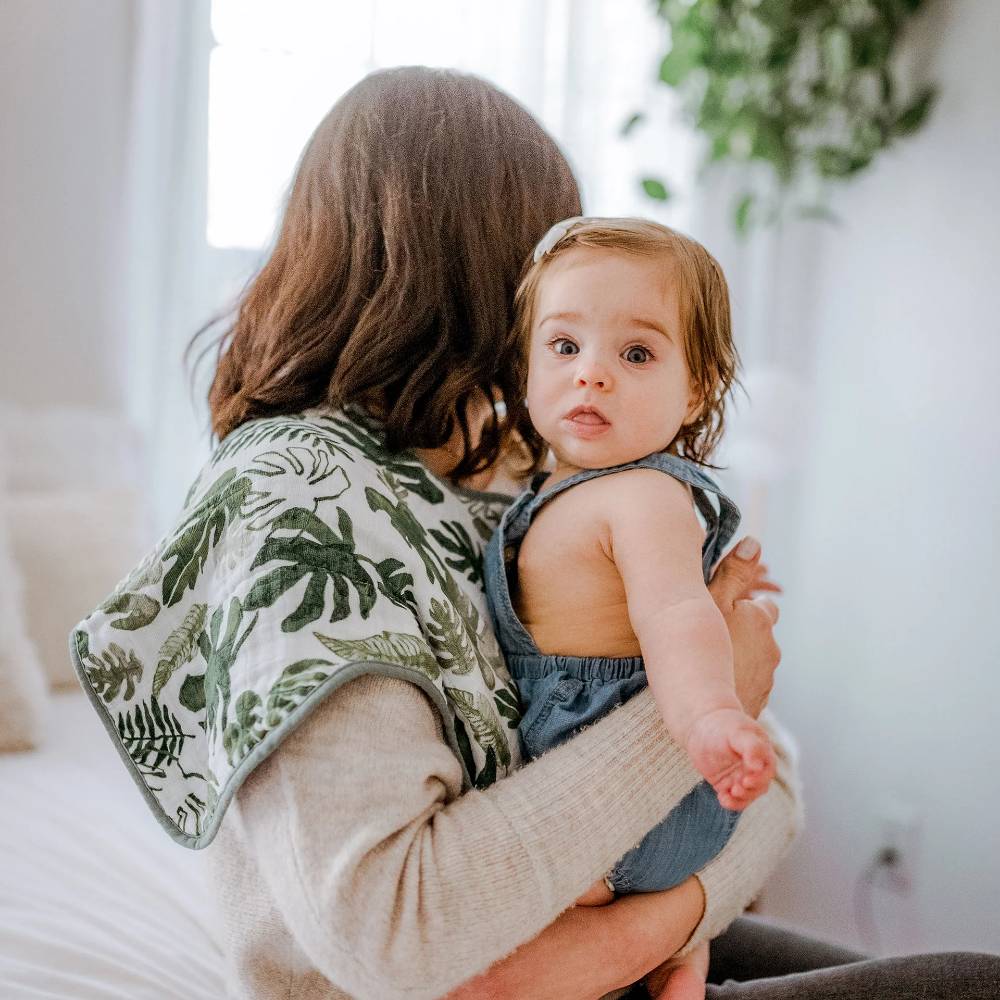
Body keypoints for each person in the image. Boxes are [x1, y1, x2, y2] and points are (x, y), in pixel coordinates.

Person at [71, 66, 1000, 1000]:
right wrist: (674, 881)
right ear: (488, 268)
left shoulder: (515, 463)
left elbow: (775, 777)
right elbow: (401, 934)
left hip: (599, 925)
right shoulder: (293, 503)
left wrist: (675, 914)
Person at [482, 216, 779, 998]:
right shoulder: (549, 479)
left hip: (611, 790)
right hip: (657, 803)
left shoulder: (643, 495)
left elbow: (674, 618)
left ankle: (644, 940)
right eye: (564, 347)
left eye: (637, 353)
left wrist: (714, 716)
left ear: (700, 386)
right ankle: (684, 961)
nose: (592, 375)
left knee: (535, 908)